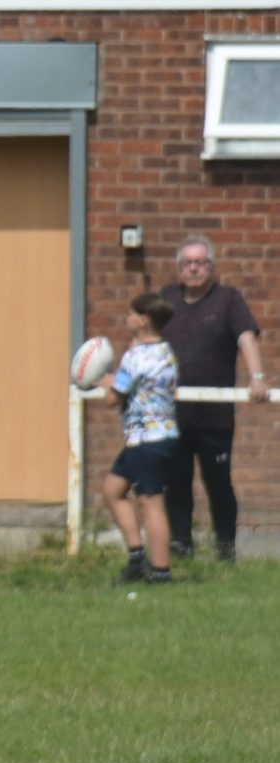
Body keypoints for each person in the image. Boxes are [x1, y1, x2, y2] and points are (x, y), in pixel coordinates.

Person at [160, 235, 269, 561]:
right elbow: (145, 336)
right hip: (173, 413)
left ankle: (225, 548)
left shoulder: (228, 300)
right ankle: (181, 545)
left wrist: (257, 376)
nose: (193, 269)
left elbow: (246, 337)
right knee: (177, 482)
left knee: (218, 483)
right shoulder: (166, 299)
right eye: (187, 263)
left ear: (211, 267)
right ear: (180, 269)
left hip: (215, 417)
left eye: (199, 263)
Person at [101, 292, 179, 585]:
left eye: (131, 314)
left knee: (150, 502)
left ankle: (160, 572)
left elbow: (112, 398)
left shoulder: (134, 357)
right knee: (113, 491)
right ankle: (137, 558)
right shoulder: (167, 351)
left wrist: (105, 380)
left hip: (147, 439)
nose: (127, 318)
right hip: (155, 437)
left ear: (143, 321)